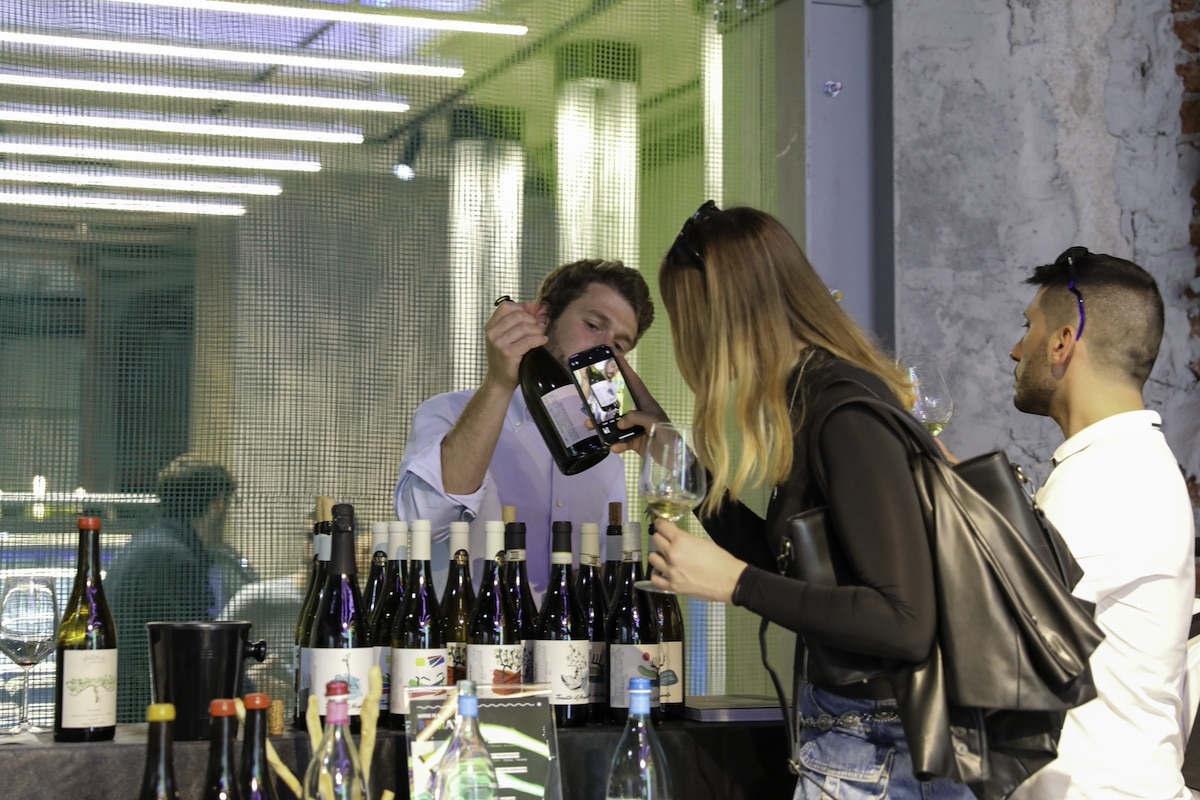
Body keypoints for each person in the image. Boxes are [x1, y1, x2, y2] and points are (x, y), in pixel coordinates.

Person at [640, 202, 973, 799]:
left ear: (725, 313)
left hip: (878, 753)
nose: (686, 338)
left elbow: (904, 622)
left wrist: (736, 584)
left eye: (685, 315)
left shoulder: (842, 411)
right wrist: (677, 462)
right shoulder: (812, 398)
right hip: (857, 742)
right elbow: (799, 573)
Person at [1006, 247, 1194, 800]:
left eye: (1028, 328)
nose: (1015, 349)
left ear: (1062, 342)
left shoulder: (1113, 475)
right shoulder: (1119, 463)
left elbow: (1004, 628)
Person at [395, 258, 656, 597]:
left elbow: (602, 572)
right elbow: (425, 524)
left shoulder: (609, 458)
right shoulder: (447, 412)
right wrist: (498, 384)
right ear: (543, 318)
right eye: (593, 325)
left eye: (619, 345)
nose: (603, 350)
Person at [106, 455, 256, 723]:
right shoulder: (174, 558)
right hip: (152, 714)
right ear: (219, 504)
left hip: (133, 709)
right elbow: (192, 652)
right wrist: (244, 690)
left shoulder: (152, 545)